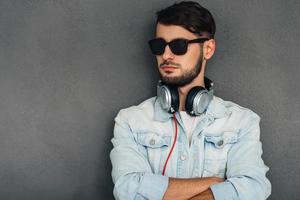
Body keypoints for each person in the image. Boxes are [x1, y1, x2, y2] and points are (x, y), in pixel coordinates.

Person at [110, 1, 271, 199]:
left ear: (208, 49)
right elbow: (128, 191)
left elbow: (252, 188)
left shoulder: (242, 122)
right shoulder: (130, 121)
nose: (166, 55)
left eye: (179, 46)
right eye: (159, 46)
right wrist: (214, 184)